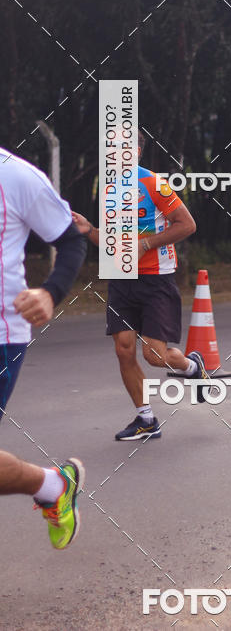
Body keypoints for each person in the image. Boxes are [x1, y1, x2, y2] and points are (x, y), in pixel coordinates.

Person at [72, 131, 207, 441]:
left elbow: (187, 225)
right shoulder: (109, 188)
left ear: (136, 151)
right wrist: (89, 229)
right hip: (122, 278)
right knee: (123, 350)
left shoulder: (153, 183)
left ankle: (191, 367)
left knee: (155, 356)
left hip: (155, 278)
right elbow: (111, 242)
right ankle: (146, 419)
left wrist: (148, 244)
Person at [0, 145, 87, 549]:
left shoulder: (18, 177)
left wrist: (51, 293)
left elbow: (71, 241)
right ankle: (53, 485)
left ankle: (53, 485)